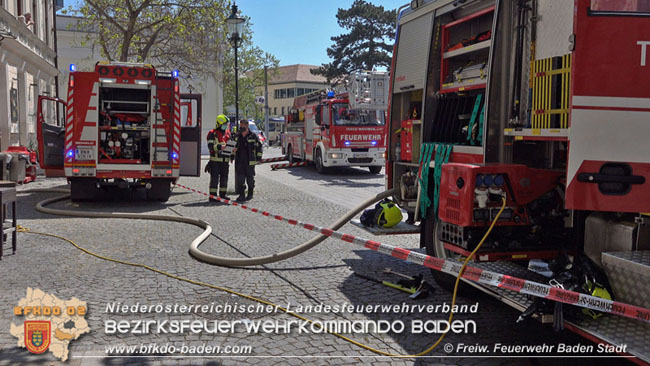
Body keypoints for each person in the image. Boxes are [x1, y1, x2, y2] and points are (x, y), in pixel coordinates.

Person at [233, 119, 262, 202]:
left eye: (243, 126)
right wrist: (232, 155)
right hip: (239, 161)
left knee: (250, 179)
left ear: (247, 126)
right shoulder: (237, 136)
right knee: (240, 179)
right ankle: (241, 195)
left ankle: (250, 194)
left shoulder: (253, 136)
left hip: (250, 161)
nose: (241, 128)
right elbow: (232, 146)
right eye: (240, 126)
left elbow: (259, 147)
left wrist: (258, 158)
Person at [205, 114, 232, 202]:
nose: (225, 126)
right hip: (215, 161)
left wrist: (233, 151)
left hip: (225, 161)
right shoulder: (212, 134)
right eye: (224, 124)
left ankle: (223, 195)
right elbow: (211, 147)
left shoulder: (228, 133)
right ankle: (213, 196)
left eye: (226, 124)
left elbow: (231, 144)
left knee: (224, 178)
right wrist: (220, 147)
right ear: (219, 124)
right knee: (214, 179)